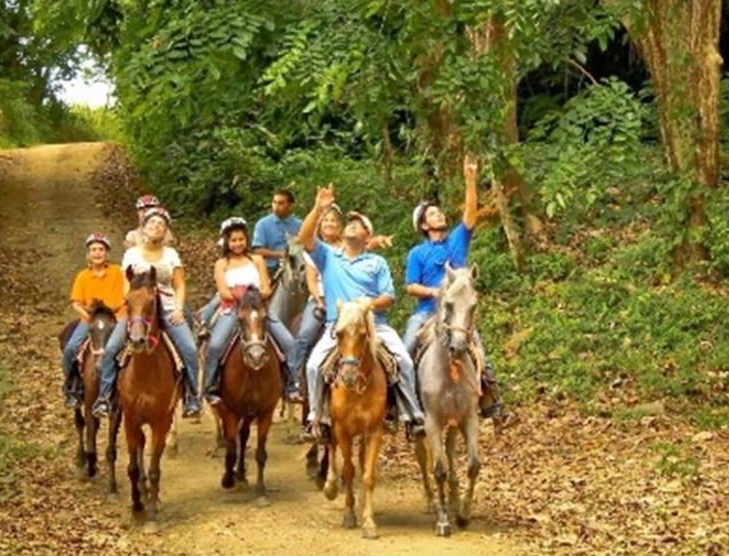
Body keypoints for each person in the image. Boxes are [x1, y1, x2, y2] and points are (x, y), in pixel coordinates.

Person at [300, 184, 426, 441]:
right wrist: (318, 208)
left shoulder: (377, 262)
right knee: (313, 366)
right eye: (350, 223)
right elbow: (305, 238)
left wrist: (367, 305)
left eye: (358, 224)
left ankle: (411, 415)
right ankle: (317, 418)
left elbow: (389, 296)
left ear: (367, 236)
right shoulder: (329, 256)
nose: (351, 225)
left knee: (403, 360)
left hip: (374, 326)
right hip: (338, 329)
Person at [403, 154, 503, 419]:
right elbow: (410, 287)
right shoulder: (417, 253)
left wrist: (470, 180)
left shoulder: (457, 240)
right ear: (424, 225)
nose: (440, 215)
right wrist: (434, 292)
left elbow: (471, 213)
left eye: (439, 211)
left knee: (479, 350)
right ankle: (408, 407)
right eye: (433, 214)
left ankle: (490, 398)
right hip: (427, 313)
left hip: (457, 313)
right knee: (405, 351)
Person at [93, 207, 202, 419]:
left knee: (189, 349)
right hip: (138, 310)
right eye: (152, 223)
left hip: (168, 308)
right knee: (112, 348)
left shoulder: (171, 255)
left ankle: (192, 398)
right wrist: (133, 303)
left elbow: (179, 285)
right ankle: (105, 397)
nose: (156, 227)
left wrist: (179, 308)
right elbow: (126, 284)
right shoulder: (131, 254)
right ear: (144, 228)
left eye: (161, 225)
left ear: (166, 231)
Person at [201, 217, 301, 405]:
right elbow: (223, 292)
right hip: (233, 309)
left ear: (246, 239)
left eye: (241, 239)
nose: (238, 244)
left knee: (288, 341)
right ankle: (210, 385)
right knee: (215, 345)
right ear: (227, 242)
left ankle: (292, 384)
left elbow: (266, 288)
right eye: (233, 240)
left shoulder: (256, 259)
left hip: (258, 308)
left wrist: (255, 297)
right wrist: (242, 297)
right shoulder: (221, 263)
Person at [62, 233, 127, 407]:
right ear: (88, 254)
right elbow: (76, 303)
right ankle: (72, 388)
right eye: (93, 250)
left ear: (107, 253)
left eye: (101, 249)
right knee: (70, 348)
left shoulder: (117, 272)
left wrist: (118, 307)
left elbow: (126, 296)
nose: (97, 253)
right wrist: (88, 316)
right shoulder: (83, 276)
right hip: (91, 319)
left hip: (116, 318)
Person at [251, 188, 302, 276]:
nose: (276, 206)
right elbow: (257, 250)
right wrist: (279, 254)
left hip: (295, 267)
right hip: (270, 268)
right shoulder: (262, 224)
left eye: (281, 203)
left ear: (290, 205)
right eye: (274, 202)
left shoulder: (299, 225)